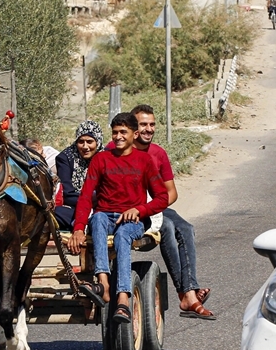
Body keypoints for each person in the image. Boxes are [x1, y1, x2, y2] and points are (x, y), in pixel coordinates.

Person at [114, 105, 215, 320]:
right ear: (133, 128)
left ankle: (189, 289)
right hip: (127, 209)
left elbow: (171, 192)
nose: (149, 129)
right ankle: (186, 294)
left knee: (185, 228)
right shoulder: (117, 149)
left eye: (152, 125)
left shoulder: (158, 153)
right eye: (143, 125)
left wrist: (153, 207)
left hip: (154, 207)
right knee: (168, 227)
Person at [68, 113, 168, 323]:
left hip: (133, 221)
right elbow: (86, 196)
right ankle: (103, 283)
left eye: (123, 132)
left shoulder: (145, 161)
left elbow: (162, 198)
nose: (118, 136)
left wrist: (140, 209)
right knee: (97, 220)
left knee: (123, 235)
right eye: (115, 132)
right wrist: (78, 228)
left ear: (135, 134)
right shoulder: (101, 159)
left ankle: (123, 298)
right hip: (105, 215)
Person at [53, 121, 104, 231]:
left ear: (98, 142)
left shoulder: (106, 157)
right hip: (75, 206)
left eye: (90, 142)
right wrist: (87, 203)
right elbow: (67, 194)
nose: (85, 147)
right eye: (81, 142)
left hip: (102, 207)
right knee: (55, 213)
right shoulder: (65, 158)